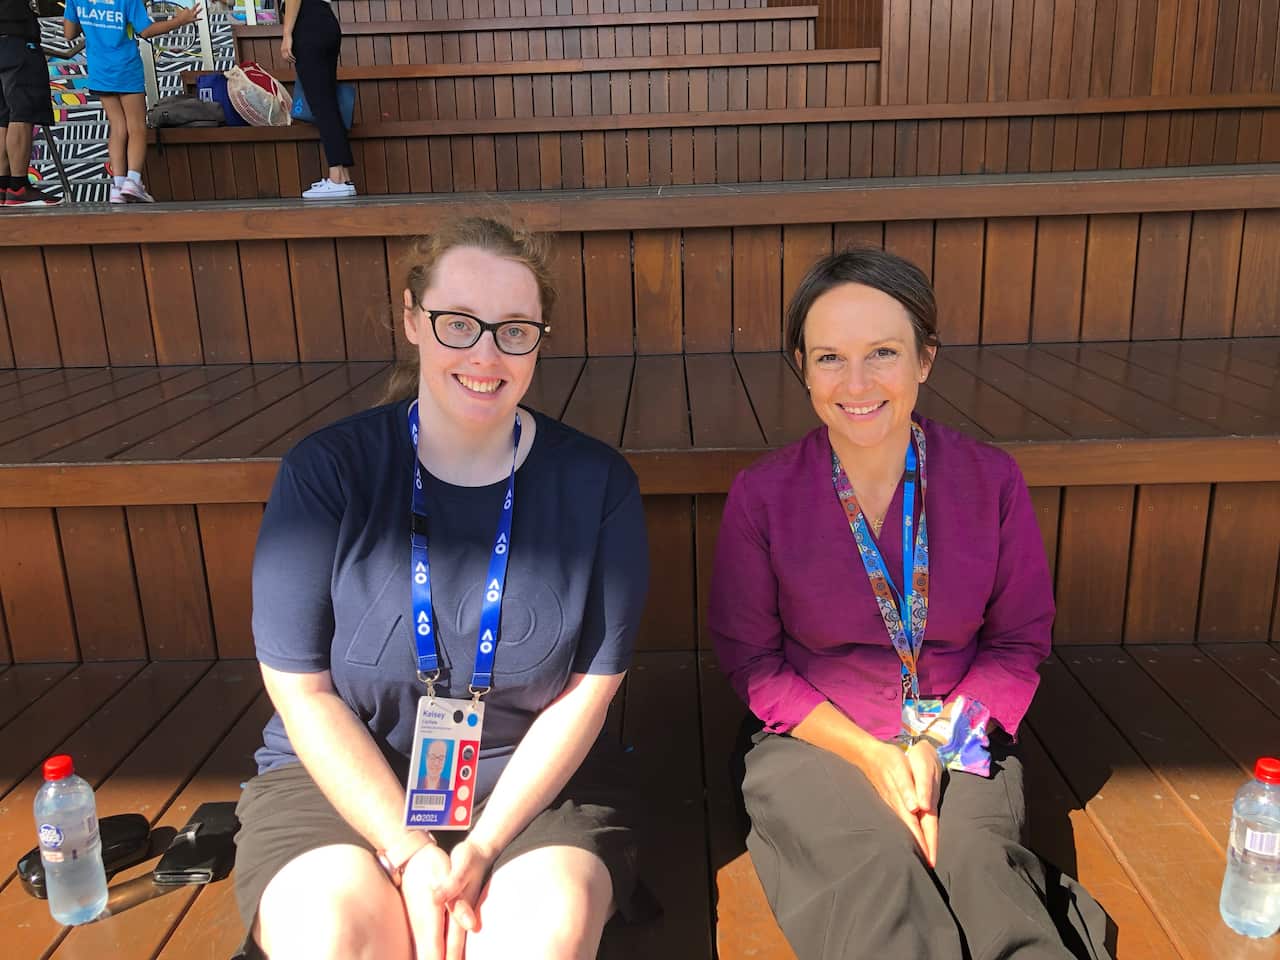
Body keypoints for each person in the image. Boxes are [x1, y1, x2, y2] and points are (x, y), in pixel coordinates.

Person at [233, 217, 650, 960]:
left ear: (539, 340)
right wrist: (408, 849)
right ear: (412, 319)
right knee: (332, 942)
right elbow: (302, 692)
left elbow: (586, 697)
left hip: (533, 786)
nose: (486, 354)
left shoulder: (598, 484)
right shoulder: (327, 471)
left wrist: (482, 846)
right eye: (458, 323)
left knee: (535, 946)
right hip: (342, 782)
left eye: (514, 330)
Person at [708, 248, 1111, 960]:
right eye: (829, 358)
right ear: (803, 367)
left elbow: (1017, 643)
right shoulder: (763, 494)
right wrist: (875, 757)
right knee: (878, 874)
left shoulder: (990, 480)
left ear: (925, 359)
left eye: (884, 353)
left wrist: (936, 746)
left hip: (960, 725)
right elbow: (754, 663)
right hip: (818, 735)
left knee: (981, 865)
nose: (856, 383)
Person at [61, 0, 201, 203]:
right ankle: (133, 180)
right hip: (126, 68)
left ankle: (117, 186)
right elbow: (146, 30)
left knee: (117, 127)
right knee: (136, 127)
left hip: (99, 70)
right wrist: (180, 20)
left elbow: (68, 33)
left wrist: (93, 23)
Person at [280, 0, 353, 200]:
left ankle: (337, 178)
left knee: (322, 104)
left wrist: (287, 34)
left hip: (308, 22)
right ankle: (344, 177)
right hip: (325, 20)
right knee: (328, 102)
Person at [0, 0, 58, 205]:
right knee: (22, 112)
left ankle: (3, 185)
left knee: (3, 117)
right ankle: (18, 186)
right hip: (16, 36)